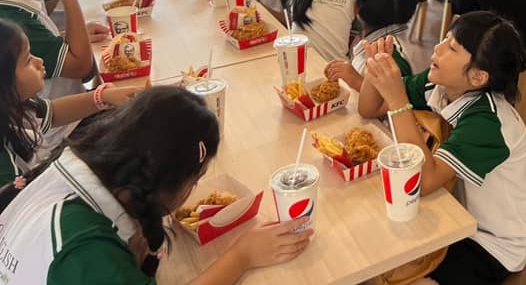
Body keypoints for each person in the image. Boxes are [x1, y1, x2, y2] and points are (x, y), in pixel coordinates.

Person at [0, 86, 313, 284]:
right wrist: (242, 256)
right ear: (167, 179)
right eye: (196, 180)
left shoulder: (74, 169)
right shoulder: (86, 250)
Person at [359, 12, 526, 284]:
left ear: (478, 77)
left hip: (494, 245)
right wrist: (375, 70)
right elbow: (369, 108)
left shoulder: (488, 122)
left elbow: (421, 181)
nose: (438, 47)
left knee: (386, 267)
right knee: (372, 244)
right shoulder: (441, 85)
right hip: (458, 217)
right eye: (445, 38)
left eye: (452, 48)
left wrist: (397, 100)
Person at [0, 19, 140, 187]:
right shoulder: (5, 167)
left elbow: (52, 114)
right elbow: (21, 198)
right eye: (28, 60)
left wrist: (102, 97)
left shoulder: (15, 104)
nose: (39, 61)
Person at [324, 0, 431, 91]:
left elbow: (392, 97)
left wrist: (356, 80)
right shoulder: (392, 40)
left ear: (356, 7)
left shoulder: (389, 55)